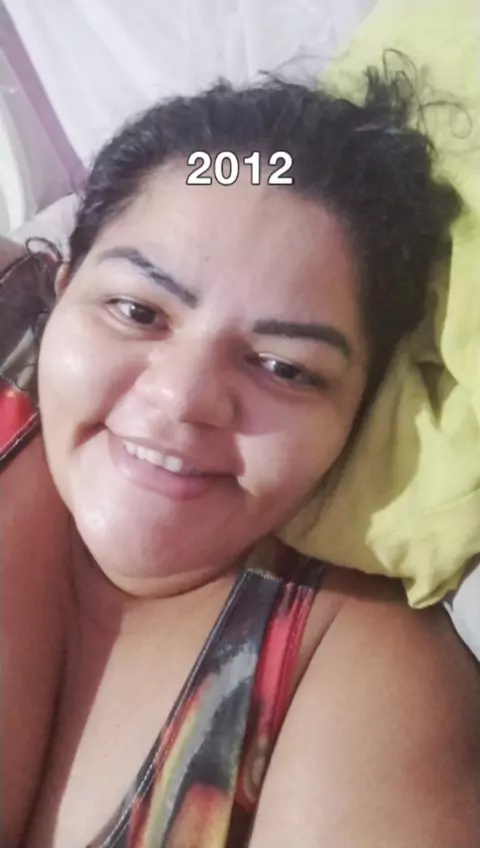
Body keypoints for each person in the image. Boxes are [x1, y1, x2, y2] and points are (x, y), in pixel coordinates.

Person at [2, 70, 479, 848]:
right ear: (61, 289)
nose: (184, 398)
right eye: (137, 310)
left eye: (285, 367)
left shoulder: (355, 675)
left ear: (362, 409)